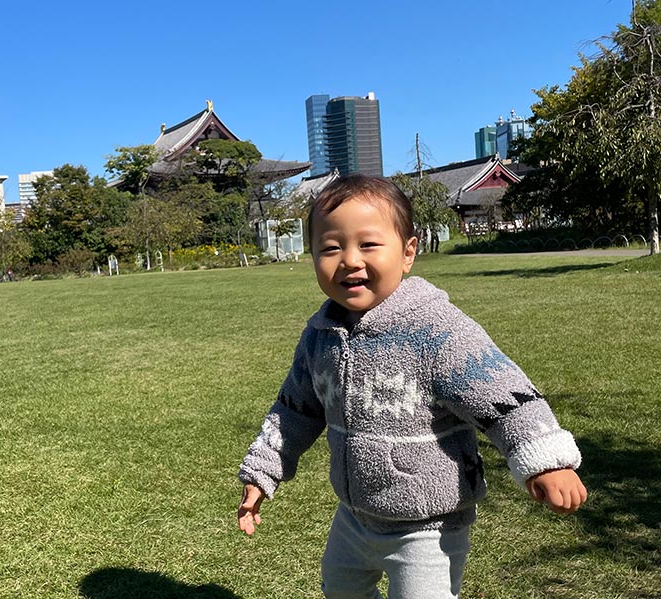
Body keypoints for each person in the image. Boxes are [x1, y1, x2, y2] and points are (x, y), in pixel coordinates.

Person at [237, 174, 586, 599]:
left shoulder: (436, 330)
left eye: (368, 244)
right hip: (353, 517)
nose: (349, 260)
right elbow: (294, 410)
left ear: (407, 252)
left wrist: (546, 462)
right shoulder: (319, 337)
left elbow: (502, 391)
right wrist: (262, 472)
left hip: (428, 525)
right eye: (330, 248)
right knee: (341, 591)